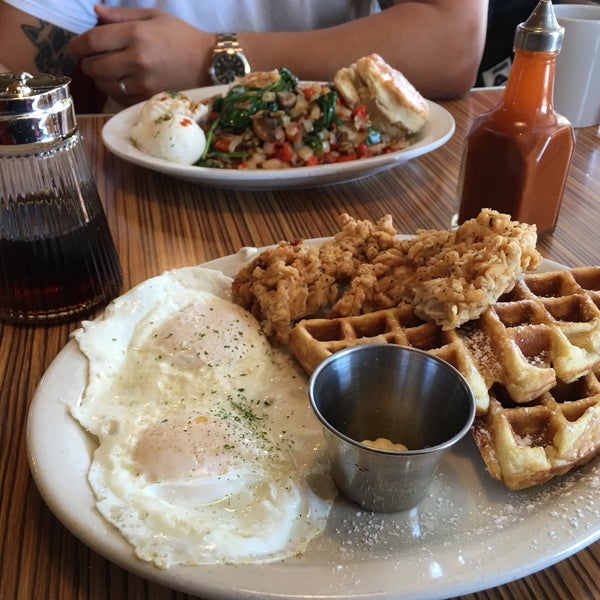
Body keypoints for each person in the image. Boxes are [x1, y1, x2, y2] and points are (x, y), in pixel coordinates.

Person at [0, 1, 487, 112]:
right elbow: (14, 72)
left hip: (364, 175)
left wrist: (213, 58)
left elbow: (453, 43)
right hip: (145, 196)